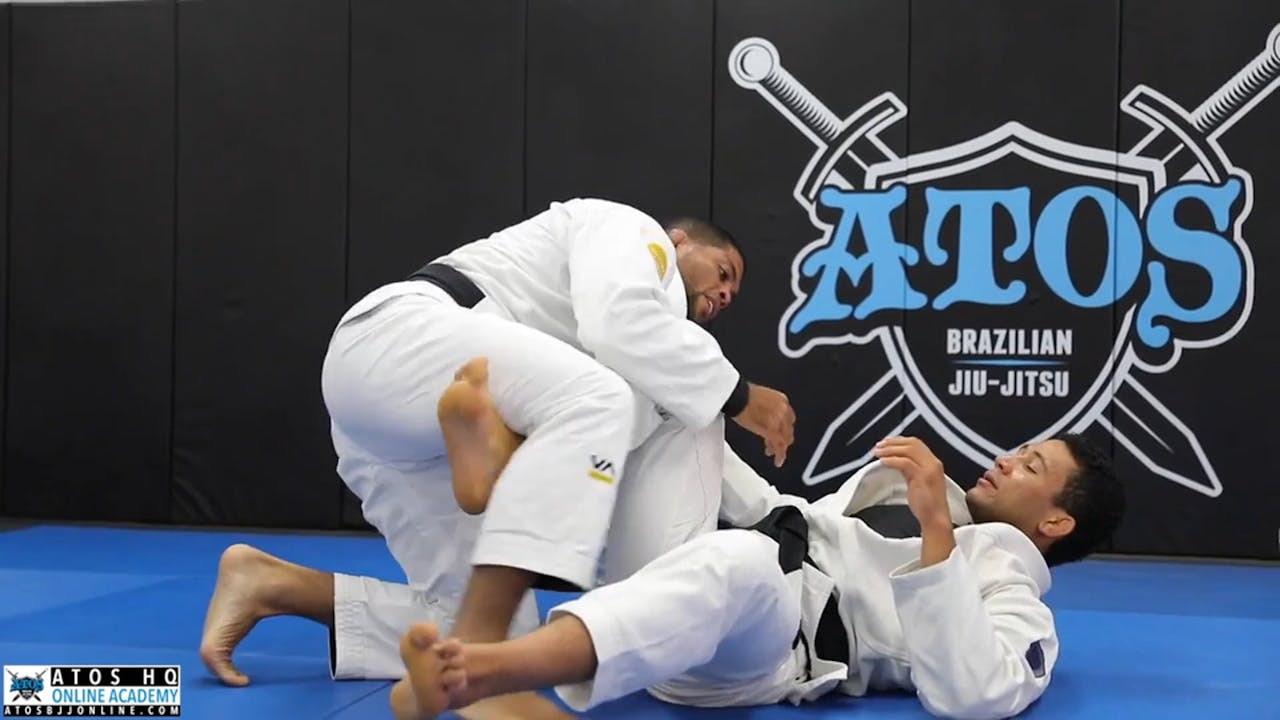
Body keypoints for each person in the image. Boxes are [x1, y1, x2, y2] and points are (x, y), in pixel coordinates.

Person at [199, 198, 797, 695]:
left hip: (391, 434)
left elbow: (686, 428)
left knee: (501, 641)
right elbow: (620, 324)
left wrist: (768, 507)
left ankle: (270, 582)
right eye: (724, 272)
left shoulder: (659, 361)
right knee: (604, 400)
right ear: (680, 241)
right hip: (405, 339)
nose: (725, 294)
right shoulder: (632, 231)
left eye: (734, 294)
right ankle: (504, 455)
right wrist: (741, 396)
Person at [387, 379, 1126, 720]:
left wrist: (937, 531)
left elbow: (976, 696)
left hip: (766, 650)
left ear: (1057, 523)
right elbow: (789, 520)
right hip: (731, 562)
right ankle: (510, 464)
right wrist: (725, 405)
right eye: (1020, 450)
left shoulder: (1014, 595)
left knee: (745, 565)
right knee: (677, 400)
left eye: (1030, 467)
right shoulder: (935, 505)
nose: (1006, 459)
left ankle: (485, 671)